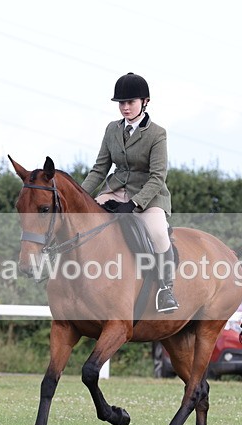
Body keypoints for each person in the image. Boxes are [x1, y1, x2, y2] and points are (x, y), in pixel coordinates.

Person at [80, 72, 179, 313]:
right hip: (115, 190)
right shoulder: (112, 129)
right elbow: (100, 168)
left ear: (145, 102)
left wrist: (135, 204)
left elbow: (157, 177)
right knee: (84, 223)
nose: (125, 108)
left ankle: (166, 289)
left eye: (130, 102)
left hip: (149, 195)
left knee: (157, 233)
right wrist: (79, 197)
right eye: (121, 103)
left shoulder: (157, 133)